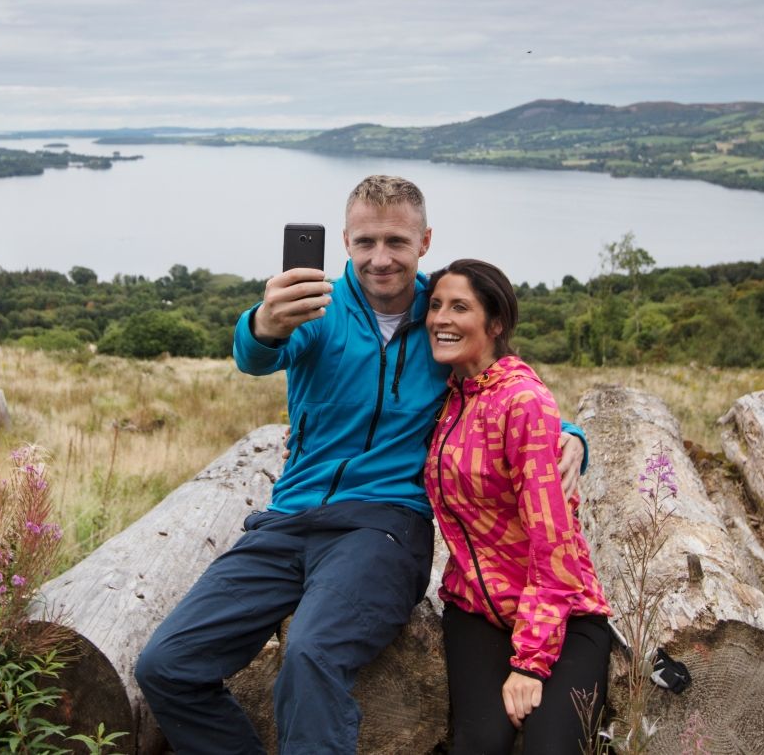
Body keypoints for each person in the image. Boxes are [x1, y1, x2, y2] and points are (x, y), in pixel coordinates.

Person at [135, 176, 584, 755]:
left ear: (425, 241)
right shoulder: (314, 308)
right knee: (166, 664)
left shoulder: (443, 317)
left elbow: (501, 378)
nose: (380, 259)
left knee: (312, 653)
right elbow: (255, 353)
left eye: (396, 242)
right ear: (345, 240)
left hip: (385, 525)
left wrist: (568, 434)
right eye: (366, 241)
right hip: (288, 520)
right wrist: (264, 324)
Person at [424, 258, 611, 755]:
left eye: (459, 307)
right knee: (478, 744)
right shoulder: (442, 395)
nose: (441, 318)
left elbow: (554, 544)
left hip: (562, 614)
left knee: (552, 748)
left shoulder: (523, 402)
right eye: (436, 305)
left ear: (497, 322)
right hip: (475, 609)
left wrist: (530, 661)